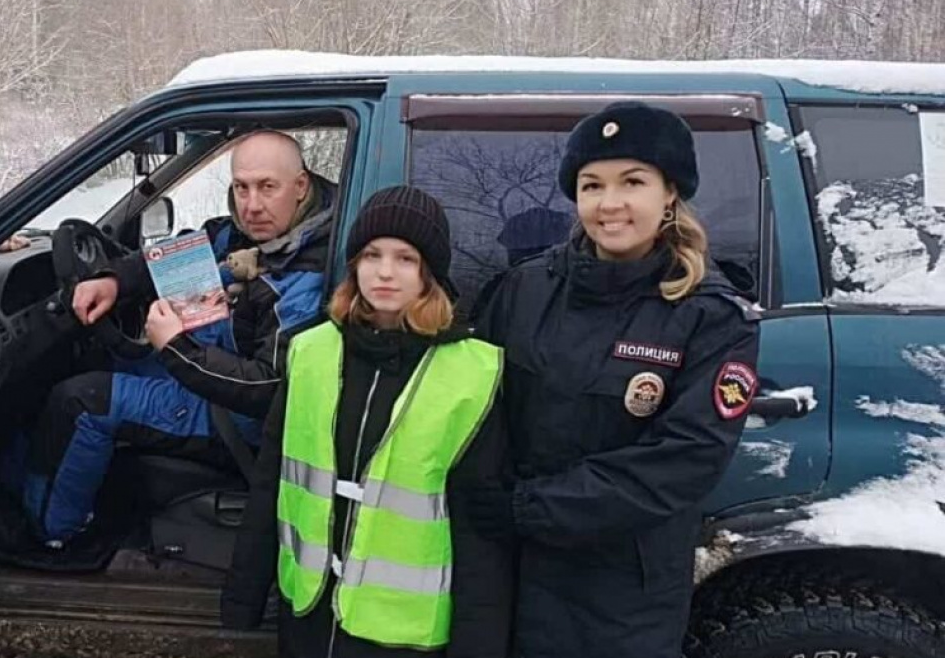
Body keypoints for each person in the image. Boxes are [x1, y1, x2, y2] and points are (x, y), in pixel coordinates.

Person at [462, 101, 762, 658]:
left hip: (622, 590)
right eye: (592, 184)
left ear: (670, 191)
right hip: (514, 574)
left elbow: (685, 458)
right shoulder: (526, 289)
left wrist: (529, 508)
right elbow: (477, 407)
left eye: (633, 181)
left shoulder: (709, 313)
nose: (610, 203)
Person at [221, 186, 512, 658]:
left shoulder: (472, 375)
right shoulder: (311, 352)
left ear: (429, 274)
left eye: (405, 258)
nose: (385, 272)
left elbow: (482, 535)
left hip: (401, 635)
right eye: (372, 254)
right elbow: (272, 481)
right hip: (309, 619)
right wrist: (243, 597)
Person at [22, 130, 337, 546]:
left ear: (300, 187)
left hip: (240, 418)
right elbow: (181, 257)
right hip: (209, 364)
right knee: (100, 365)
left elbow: (267, 388)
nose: (252, 205)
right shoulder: (246, 237)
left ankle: (49, 536)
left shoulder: (307, 276)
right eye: (241, 187)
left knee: (81, 401)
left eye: (267, 187)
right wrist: (114, 280)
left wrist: (175, 348)